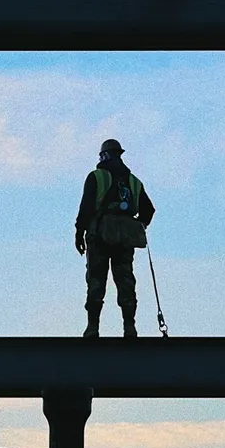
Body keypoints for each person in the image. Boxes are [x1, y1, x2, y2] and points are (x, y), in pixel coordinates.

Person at [74, 139, 155, 337]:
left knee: (96, 282)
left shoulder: (96, 177)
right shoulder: (134, 182)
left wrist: (79, 232)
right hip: (124, 240)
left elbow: (86, 208)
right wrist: (138, 225)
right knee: (126, 282)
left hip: (99, 237)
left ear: (104, 155)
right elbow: (148, 209)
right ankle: (130, 327)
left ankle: (92, 328)